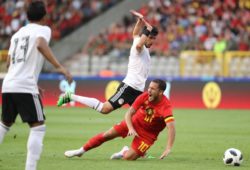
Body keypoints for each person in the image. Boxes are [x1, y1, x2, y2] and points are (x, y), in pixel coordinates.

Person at [0, 1, 72, 170]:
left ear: (27, 16)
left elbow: (9, 63)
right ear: (45, 15)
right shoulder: (43, 30)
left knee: (4, 124)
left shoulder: (17, 34)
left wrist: (30, 81)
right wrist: (60, 67)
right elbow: (40, 44)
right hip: (24, 85)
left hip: (9, 84)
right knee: (38, 127)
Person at [57, 11, 159, 114]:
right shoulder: (139, 45)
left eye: (154, 38)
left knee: (144, 117)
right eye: (150, 37)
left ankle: (125, 130)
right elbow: (138, 44)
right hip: (129, 87)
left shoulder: (140, 43)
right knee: (104, 109)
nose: (152, 41)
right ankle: (70, 96)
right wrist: (147, 29)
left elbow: (135, 33)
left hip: (138, 90)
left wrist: (139, 21)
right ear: (145, 36)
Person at [64, 79, 175, 160]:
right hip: (134, 122)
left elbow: (171, 128)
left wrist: (168, 148)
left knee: (128, 158)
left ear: (160, 92)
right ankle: (81, 151)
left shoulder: (166, 106)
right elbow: (128, 113)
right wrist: (131, 128)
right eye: (149, 87)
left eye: (152, 89)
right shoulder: (144, 96)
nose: (149, 90)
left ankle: (124, 151)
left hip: (148, 135)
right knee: (107, 135)